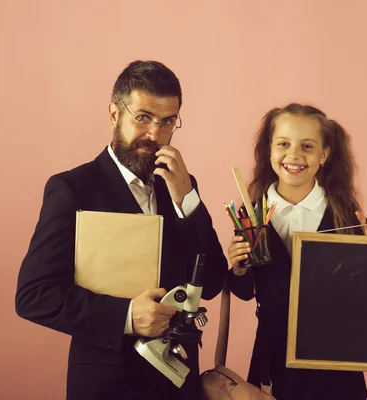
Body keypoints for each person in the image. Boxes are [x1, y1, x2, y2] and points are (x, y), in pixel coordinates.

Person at [15, 60, 228, 400]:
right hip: (106, 385)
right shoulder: (73, 188)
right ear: (115, 114)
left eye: (167, 121)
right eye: (142, 117)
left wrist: (187, 199)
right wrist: (127, 315)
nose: (154, 134)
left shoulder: (181, 186)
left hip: (178, 386)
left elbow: (214, 280)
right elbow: (34, 296)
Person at [226, 103, 367, 400]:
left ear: (324, 155)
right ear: (270, 150)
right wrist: (238, 267)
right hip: (271, 356)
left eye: (307, 146)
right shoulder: (252, 212)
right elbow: (244, 290)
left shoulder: (344, 214)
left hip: (334, 360)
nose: (294, 155)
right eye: (283, 144)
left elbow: (366, 293)